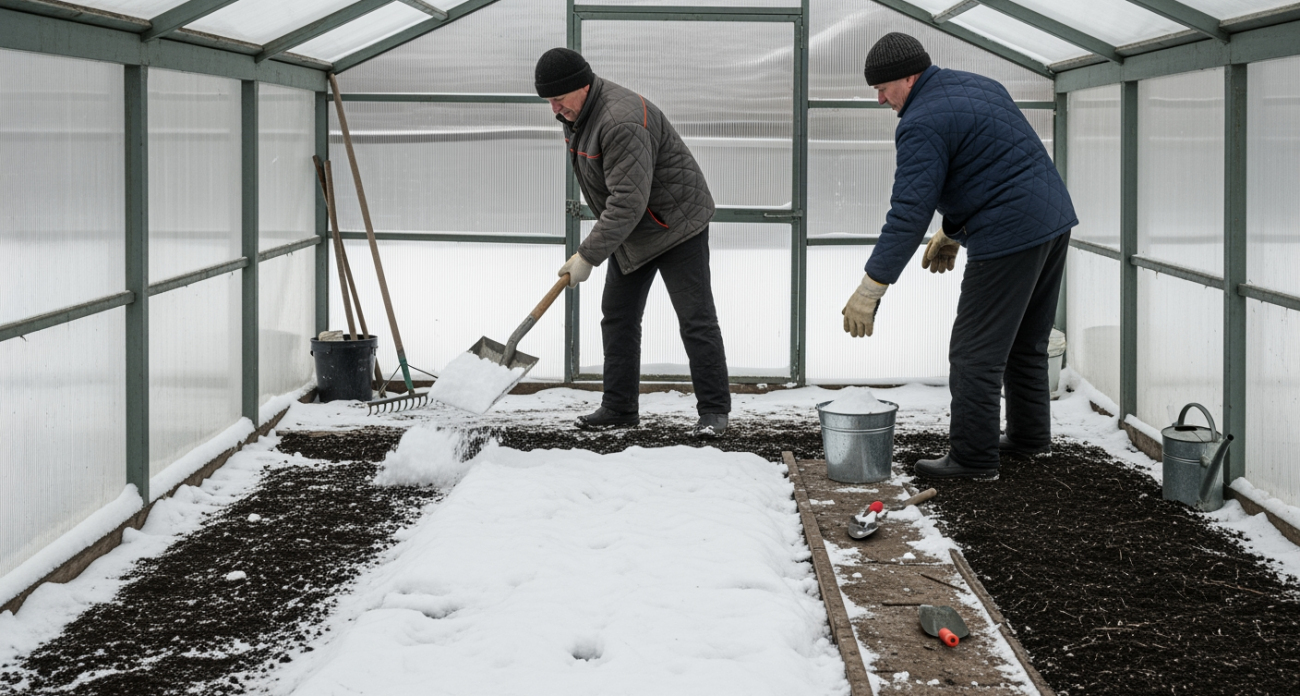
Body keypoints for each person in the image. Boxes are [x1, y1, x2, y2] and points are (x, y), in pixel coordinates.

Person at [842, 33, 1077, 480]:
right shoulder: (978, 85)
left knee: (974, 352)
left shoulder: (919, 122)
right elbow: (990, 164)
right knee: (1028, 340)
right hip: (1052, 220)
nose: (879, 99)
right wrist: (951, 230)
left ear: (909, 77)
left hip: (1009, 235)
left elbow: (909, 213)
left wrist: (871, 286)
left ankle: (972, 459)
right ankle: (1029, 438)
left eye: (883, 87)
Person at [534, 47, 731, 437]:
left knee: (696, 319)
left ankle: (714, 412)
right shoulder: (577, 114)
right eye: (549, 101)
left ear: (583, 86)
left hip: (677, 225)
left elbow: (627, 201)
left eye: (559, 98)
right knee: (619, 316)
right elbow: (620, 198)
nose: (555, 108)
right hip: (635, 230)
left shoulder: (620, 120)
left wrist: (587, 254)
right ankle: (619, 407)